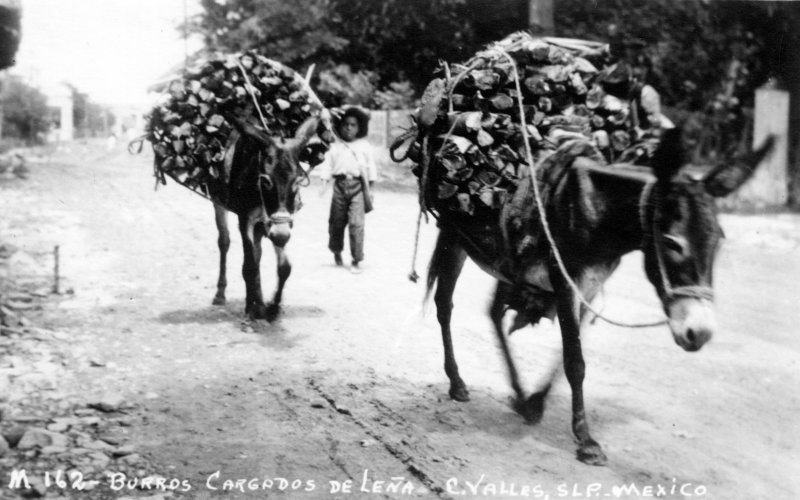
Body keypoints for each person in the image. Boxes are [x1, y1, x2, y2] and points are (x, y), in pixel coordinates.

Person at [318, 106, 378, 274]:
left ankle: (356, 259)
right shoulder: (334, 145)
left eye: (353, 125)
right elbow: (327, 165)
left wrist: (371, 191)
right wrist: (323, 183)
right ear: (340, 126)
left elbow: (371, 169)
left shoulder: (364, 146)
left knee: (356, 224)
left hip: (358, 187)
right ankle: (336, 250)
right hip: (339, 187)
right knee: (336, 222)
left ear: (359, 128)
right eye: (346, 124)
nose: (349, 128)